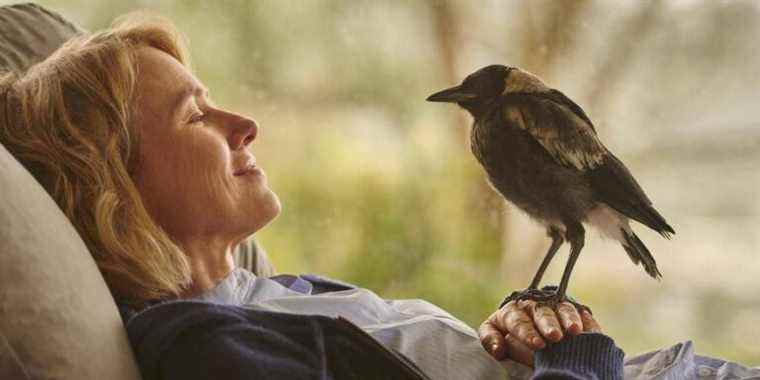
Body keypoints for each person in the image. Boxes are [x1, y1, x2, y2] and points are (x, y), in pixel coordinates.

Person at [1, 12, 756, 380]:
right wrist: (578, 354)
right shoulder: (211, 344)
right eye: (195, 116)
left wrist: (508, 340)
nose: (246, 122)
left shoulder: (271, 295)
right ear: (116, 189)